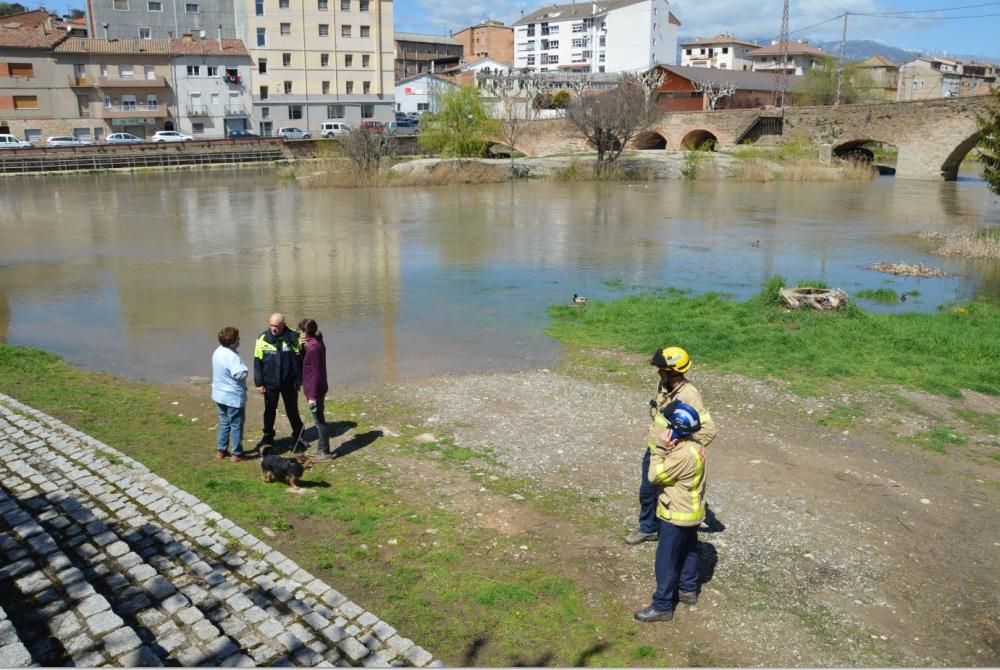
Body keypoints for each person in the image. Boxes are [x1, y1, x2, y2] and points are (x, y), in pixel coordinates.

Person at [625, 346, 717, 545]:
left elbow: (709, 430)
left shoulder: (690, 395)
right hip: (655, 448)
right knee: (647, 492)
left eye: (661, 369)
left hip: (670, 454)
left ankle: (655, 529)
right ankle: (649, 528)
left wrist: (687, 450)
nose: (658, 372)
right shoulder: (665, 385)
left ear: (672, 372)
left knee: (659, 491)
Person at [634, 402, 706, 622]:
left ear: (676, 429)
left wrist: (661, 449)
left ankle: (662, 605)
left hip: (676, 513)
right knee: (689, 549)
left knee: (665, 559)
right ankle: (687, 590)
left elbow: (654, 476)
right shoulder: (695, 447)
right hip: (693, 512)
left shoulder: (680, 455)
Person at [253, 313, 304, 449]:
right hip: (270, 383)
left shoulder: (294, 336)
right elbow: (257, 361)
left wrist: (300, 380)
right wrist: (258, 383)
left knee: (292, 410)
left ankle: (299, 435)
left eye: (277, 326)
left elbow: (301, 360)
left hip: (289, 382)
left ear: (283, 325)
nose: (273, 328)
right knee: (269, 410)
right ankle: (268, 436)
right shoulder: (262, 338)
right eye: (271, 325)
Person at [211, 326, 249, 461]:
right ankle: (237, 453)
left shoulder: (217, 351)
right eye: (238, 338)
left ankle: (221, 450)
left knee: (224, 422)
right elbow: (239, 374)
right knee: (236, 425)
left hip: (219, 395)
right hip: (232, 397)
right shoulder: (232, 356)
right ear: (233, 342)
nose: (240, 340)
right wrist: (246, 370)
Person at [298, 318, 331, 458]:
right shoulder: (314, 342)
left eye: (300, 330)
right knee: (318, 419)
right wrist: (301, 348)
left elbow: (316, 373)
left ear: (306, 332)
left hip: (315, 389)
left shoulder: (314, 347)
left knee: (319, 421)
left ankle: (324, 451)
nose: (299, 333)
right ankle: (321, 449)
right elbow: (307, 362)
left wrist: (312, 397)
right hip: (315, 387)